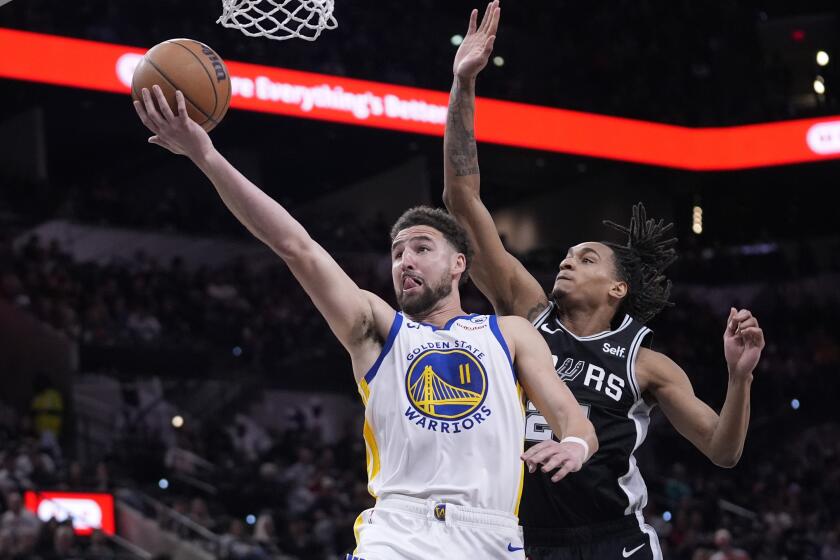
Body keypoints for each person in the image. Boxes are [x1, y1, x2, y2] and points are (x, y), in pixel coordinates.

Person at [133, 85, 597, 560]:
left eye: (420, 248)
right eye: (397, 253)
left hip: (490, 535)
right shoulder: (378, 326)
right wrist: (206, 154)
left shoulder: (510, 333)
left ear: (459, 264)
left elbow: (571, 417)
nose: (404, 261)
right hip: (398, 531)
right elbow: (298, 247)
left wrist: (576, 445)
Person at [442, 3, 765, 559]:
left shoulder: (646, 363)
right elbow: (461, 200)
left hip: (614, 543)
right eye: (567, 254)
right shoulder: (527, 308)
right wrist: (463, 83)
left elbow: (722, 450)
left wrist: (739, 379)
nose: (567, 261)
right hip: (517, 537)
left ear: (619, 289)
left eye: (587, 258)